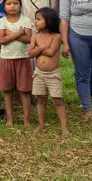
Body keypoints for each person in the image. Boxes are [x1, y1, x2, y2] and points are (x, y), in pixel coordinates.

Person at [28, 7, 69, 136]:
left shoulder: (56, 37)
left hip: (53, 75)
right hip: (39, 73)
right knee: (41, 99)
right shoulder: (35, 37)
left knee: (57, 99)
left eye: (39, 19)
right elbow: (30, 53)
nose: (35, 22)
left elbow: (51, 52)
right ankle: (41, 125)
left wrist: (38, 50)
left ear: (49, 21)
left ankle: (64, 127)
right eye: (35, 19)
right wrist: (41, 47)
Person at [0, 0, 33, 126]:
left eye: (15, 3)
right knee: (7, 91)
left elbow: (28, 39)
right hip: (6, 59)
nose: (12, 6)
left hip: (23, 58)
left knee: (24, 91)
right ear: (4, 6)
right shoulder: (1, 21)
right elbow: (2, 40)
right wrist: (18, 33)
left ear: (20, 5)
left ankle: (26, 120)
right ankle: (10, 119)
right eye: (9, 3)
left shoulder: (26, 20)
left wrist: (9, 34)